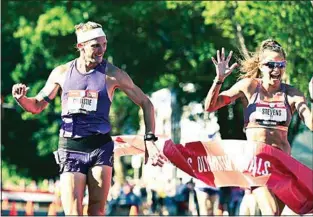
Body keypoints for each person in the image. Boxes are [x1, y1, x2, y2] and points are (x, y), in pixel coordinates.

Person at [12, 21, 166, 215]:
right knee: (73, 213)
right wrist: (21, 99)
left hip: (100, 146)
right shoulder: (61, 73)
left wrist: (150, 141)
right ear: (80, 47)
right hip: (70, 147)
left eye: (104, 44)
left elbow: (146, 103)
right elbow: (36, 106)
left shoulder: (113, 74)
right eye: (95, 45)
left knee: (96, 211)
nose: (101, 50)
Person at [204, 39, 313, 215]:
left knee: (276, 213)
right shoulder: (249, 86)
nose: (276, 70)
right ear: (261, 66)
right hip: (257, 164)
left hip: (283, 167)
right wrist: (219, 79)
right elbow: (211, 106)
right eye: (271, 65)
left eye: (281, 65)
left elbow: (310, 122)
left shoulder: (292, 93)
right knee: (271, 212)